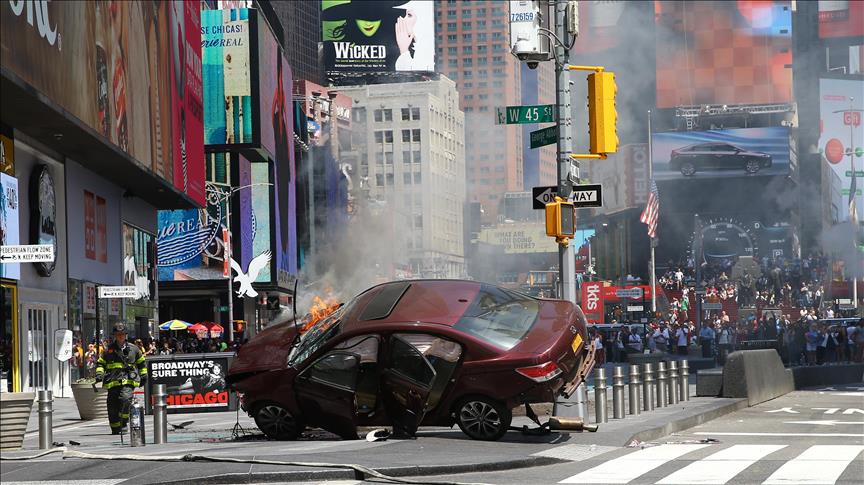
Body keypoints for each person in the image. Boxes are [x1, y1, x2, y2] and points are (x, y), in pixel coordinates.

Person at [95, 322, 148, 434]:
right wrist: (99, 374)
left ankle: (123, 422)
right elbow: (100, 363)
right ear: (114, 335)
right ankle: (115, 427)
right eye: (118, 334)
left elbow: (141, 363)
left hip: (128, 380)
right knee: (112, 406)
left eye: (122, 334)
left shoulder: (134, 349)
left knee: (125, 399)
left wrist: (144, 375)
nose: (120, 336)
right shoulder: (108, 350)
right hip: (112, 382)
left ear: (126, 335)